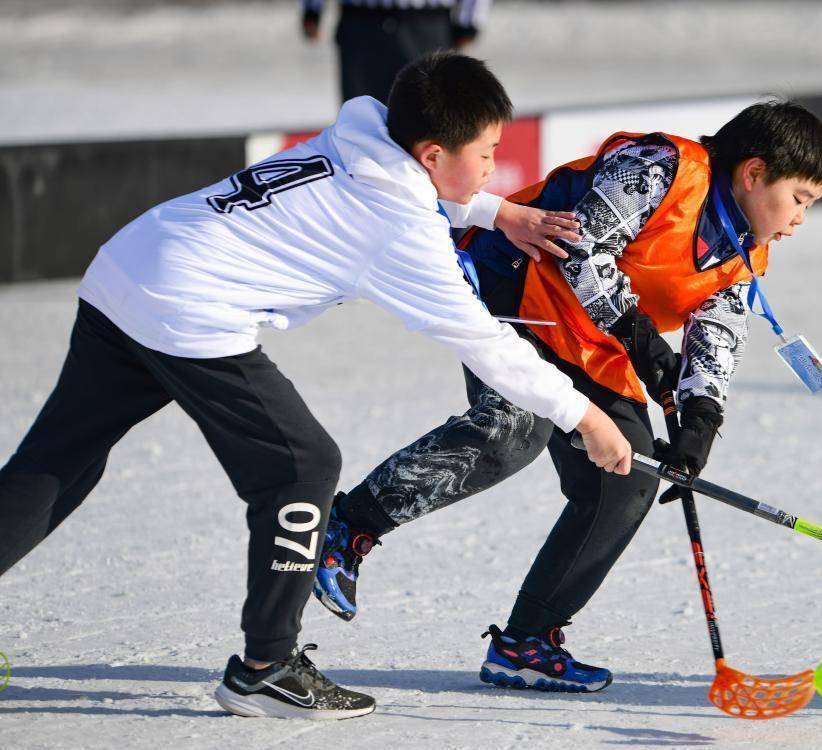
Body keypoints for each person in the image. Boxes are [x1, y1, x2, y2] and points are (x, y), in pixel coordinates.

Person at [0, 52, 631, 720]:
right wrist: (584, 416)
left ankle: (265, 663)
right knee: (301, 466)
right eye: (486, 152)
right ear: (432, 152)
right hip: (187, 306)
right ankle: (265, 668)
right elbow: (481, 340)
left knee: (57, 465)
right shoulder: (397, 227)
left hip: (132, 263)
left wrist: (493, 210)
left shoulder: (360, 132)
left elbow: (405, 182)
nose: (490, 165)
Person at [313, 100, 822, 692]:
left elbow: (717, 332)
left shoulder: (744, 249)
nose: (798, 219)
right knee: (515, 429)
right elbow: (583, 248)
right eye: (799, 199)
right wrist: (644, 341)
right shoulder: (664, 167)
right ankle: (346, 525)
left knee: (628, 477)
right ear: (754, 172)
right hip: (517, 294)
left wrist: (700, 417)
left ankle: (526, 643)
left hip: (590, 339)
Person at [302, 0, 493, 103]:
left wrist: (469, 19)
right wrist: (312, 8)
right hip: (361, 21)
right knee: (360, 111)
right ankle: (360, 174)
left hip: (427, 23)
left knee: (428, 110)